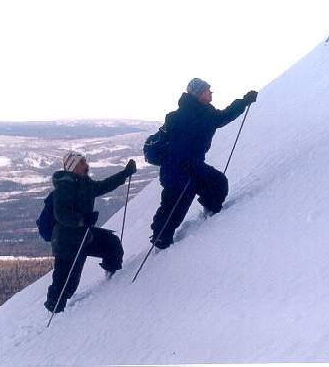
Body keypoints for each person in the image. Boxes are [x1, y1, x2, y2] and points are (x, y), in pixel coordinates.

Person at [149, 78, 257, 250]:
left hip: (192, 164)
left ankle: (210, 214)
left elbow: (222, 118)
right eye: (207, 90)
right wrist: (185, 164)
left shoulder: (206, 112)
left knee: (217, 183)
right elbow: (177, 146)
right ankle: (160, 241)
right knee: (175, 204)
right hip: (177, 168)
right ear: (199, 94)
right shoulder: (182, 116)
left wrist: (244, 101)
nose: (211, 92)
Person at [44, 151, 137, 313]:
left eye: (85, 161)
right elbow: (61, 214)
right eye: (82, 162)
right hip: (67, 243)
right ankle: (54, 315)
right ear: (72, 167)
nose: (86, 165)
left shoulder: (84, 182)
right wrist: (81, 220)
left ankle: (115, 280)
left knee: (112, 245)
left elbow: (103, 186)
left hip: (85, 236)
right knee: (66, 283)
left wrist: (125, 173)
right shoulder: (65, 187)